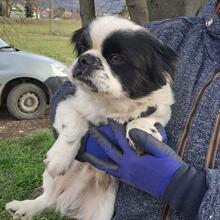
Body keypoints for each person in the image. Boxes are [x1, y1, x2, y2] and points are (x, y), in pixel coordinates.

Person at [50, 0, 220, 219]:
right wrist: (80, 139)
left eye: (115, 58)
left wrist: (190, 190)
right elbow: (65, 95)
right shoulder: (162, 35)